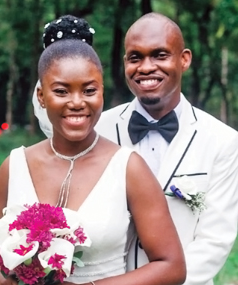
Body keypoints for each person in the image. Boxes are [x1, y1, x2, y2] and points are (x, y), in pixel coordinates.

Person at [0, 15, 186, 285]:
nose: (77, 102)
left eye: (89, 90)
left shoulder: (128, 167)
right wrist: (1, 280)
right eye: (61, 91)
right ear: (42, 96)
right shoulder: (15, 164)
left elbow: (171, 266)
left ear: (102, 92)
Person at [32, 12, 238, 285]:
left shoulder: (223, 141)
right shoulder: (94, 127)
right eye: (135, 57)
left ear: (184, 59)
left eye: (160, 55)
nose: (146, 67)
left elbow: (215, 241)